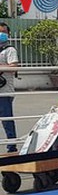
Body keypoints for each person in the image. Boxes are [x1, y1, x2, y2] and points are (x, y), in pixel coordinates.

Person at [0, 23, 19, 152]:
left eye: (3, 32)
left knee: (7, 119)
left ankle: (11, 147)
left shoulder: (10, 50)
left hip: (5, 90)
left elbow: (14, 67)